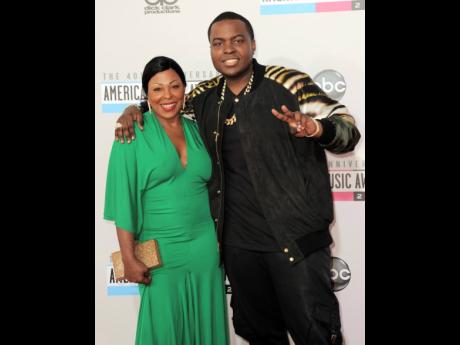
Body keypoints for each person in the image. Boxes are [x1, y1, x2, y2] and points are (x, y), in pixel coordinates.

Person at [115, 12, 361, 345]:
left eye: (237, 40)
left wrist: (316, 128)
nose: (228, 49)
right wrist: (135, 108)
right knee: (260, 337)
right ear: (211, 50)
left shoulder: (288, 82)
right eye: (219, 43)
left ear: (253, 44)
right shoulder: (204, 97)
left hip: (296, 244)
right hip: (239, 250)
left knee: (317, 335)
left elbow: (346, 129)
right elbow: (166, 104)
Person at [104, 56, 229, 345]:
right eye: (157, 89)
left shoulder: (199, 130)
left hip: (205, 249)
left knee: (206, 325)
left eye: (174, 86)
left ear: (185, 89)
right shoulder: (132, 133)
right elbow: (123, 200)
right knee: (163, 329)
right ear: (146, 94)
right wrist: (128, 256)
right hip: (160, 252)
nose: (167, 96)